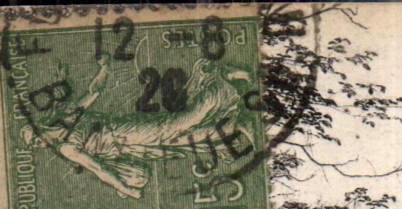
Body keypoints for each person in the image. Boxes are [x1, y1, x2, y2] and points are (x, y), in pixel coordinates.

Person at [20, 55, 254, 200]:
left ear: (40, 127)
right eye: (34, 144)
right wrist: (125, 188)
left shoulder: (67, 119)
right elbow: (100, 169)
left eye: (34, 138)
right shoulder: (66, 148)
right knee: (180, 141)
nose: (38, 144)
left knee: (177, 125)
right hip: (129, 149)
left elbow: (93, 93)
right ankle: (234, 125)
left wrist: (105, 68)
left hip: (125, 131)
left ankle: (220, 81)